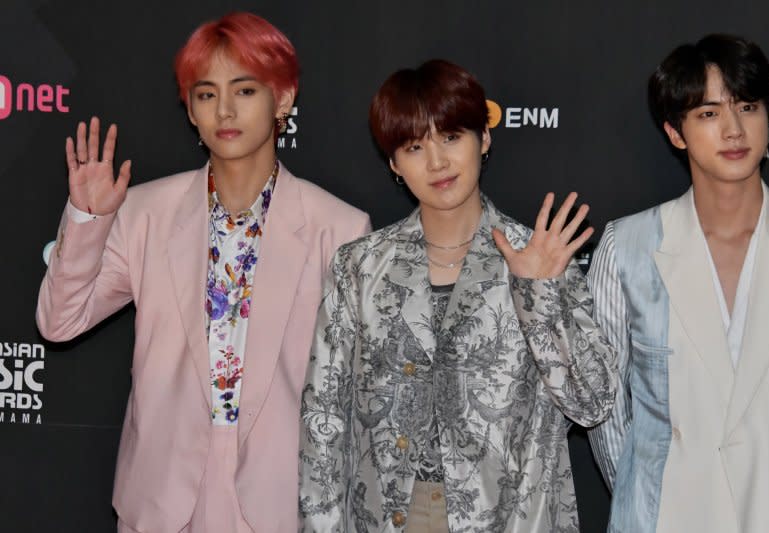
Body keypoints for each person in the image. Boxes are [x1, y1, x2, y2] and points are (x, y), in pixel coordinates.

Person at [36, 12, 369, 533]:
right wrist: (88, 219)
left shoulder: (339, 228)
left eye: (245, 90)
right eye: (207, 93)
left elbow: (358, 390)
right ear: (190, 109)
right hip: (163, 495)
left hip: (280, 499)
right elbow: (59, 323)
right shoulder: (145, 212)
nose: (225, 110)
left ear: (283, 99)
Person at [298, 59, 616, 533]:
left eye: (451, 137)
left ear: (483, 139)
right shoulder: (359, 266)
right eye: (414, 146)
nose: (437, 162)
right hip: (389, 517)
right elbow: (323, 420)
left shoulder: (541, 257)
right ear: (394, 163)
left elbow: (591, 402)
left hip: (511, 516)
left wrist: (538, 294)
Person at [587, 34, 769, 533]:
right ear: (675, 133)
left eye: (747, 107)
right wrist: (650, 489)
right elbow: (606, 409)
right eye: (707, 113)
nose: (733, 129)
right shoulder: (627, 247)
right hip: (671, 514)